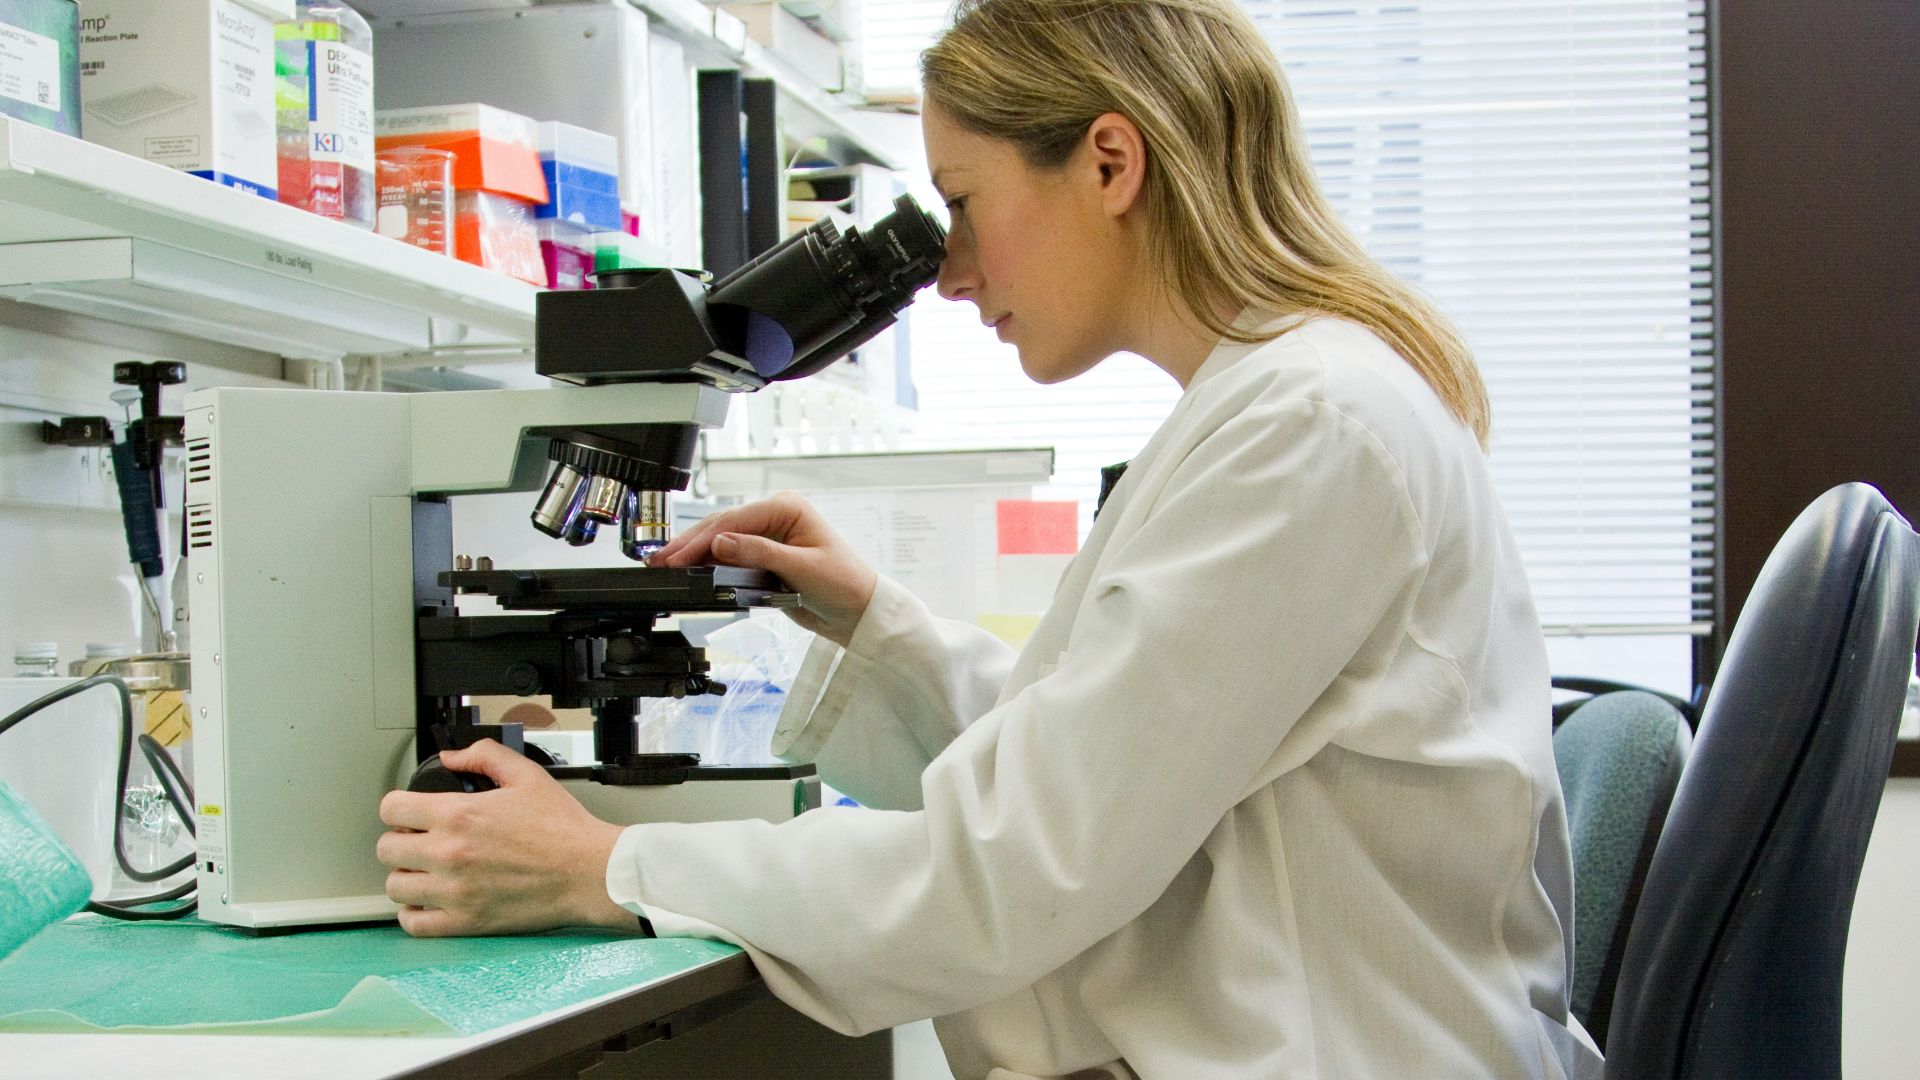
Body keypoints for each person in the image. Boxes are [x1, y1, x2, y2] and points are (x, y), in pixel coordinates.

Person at [375, 1, 1604, 1077]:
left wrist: (608, 870)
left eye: (962, 204)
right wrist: (878, 624)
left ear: (1110, 161)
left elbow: (1014, 872)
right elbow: (1113, 769)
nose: (950, 272)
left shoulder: (1305, 429)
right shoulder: (1285, 405)